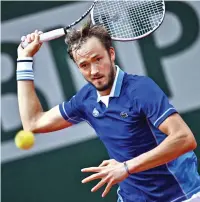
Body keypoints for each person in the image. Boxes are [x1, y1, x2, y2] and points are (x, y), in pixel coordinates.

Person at [17, 22, 200, 202]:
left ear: (111, 54)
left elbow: (184, 139)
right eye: (84, 65)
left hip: (180, 195)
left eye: (98, 59)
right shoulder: (85, 99)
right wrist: (24, 59)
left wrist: (126, 168)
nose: (94, 71)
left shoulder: (141, 89)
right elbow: (33, 122)